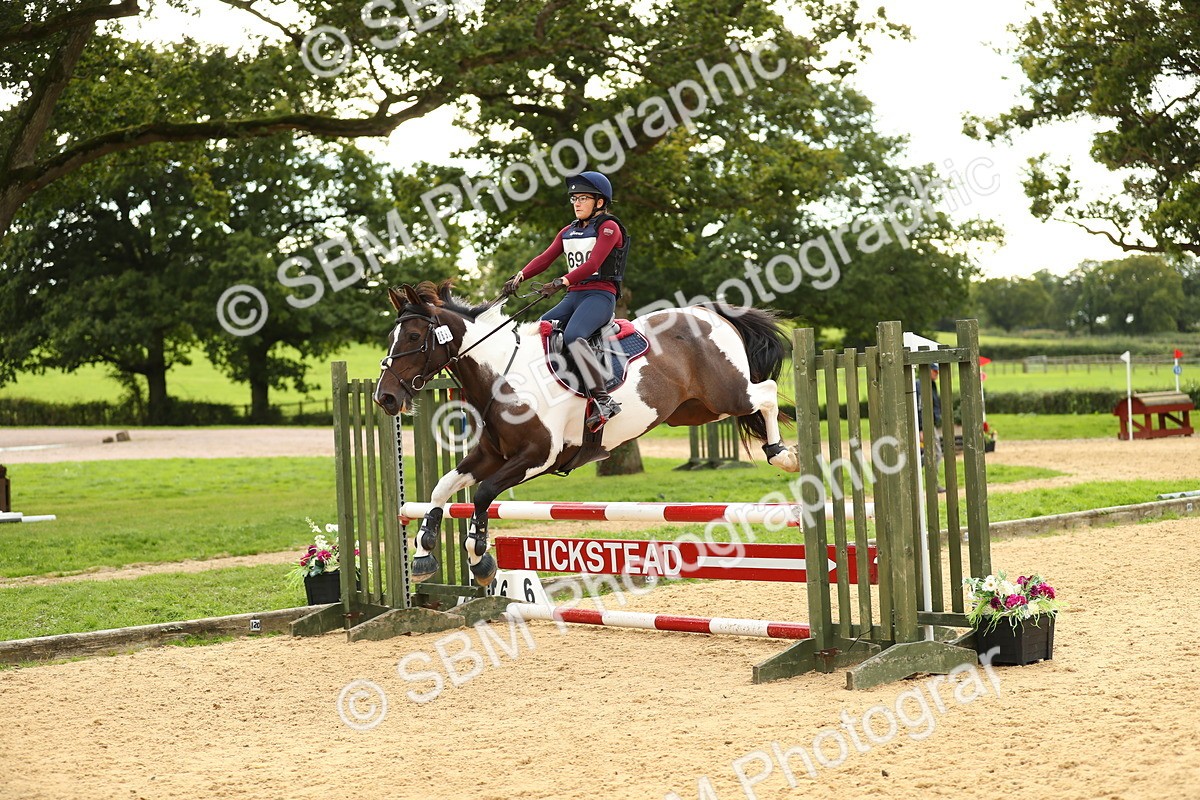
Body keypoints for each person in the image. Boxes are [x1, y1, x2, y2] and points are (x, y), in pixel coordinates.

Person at [502, 171, 630, 431]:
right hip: (574, 296)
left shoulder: (609, 227)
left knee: (573, 335)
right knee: (537, 332)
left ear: (600, 203)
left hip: (599, 296)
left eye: (583, 198)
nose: (577, 203)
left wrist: (562, 281)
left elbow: (594, 263)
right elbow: (545, 258)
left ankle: (603, 400)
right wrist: (520, 276)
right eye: (574, 198)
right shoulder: (568, 231)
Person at [916, 365, 945, 492]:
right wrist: (921, 428)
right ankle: (929, 482)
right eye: (935, 370)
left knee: (935, 452)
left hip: (930, 423)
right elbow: (919, 407)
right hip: (924, 424)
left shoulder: (931, 384)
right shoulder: (920, 385)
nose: (937, 373)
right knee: (936, 452)